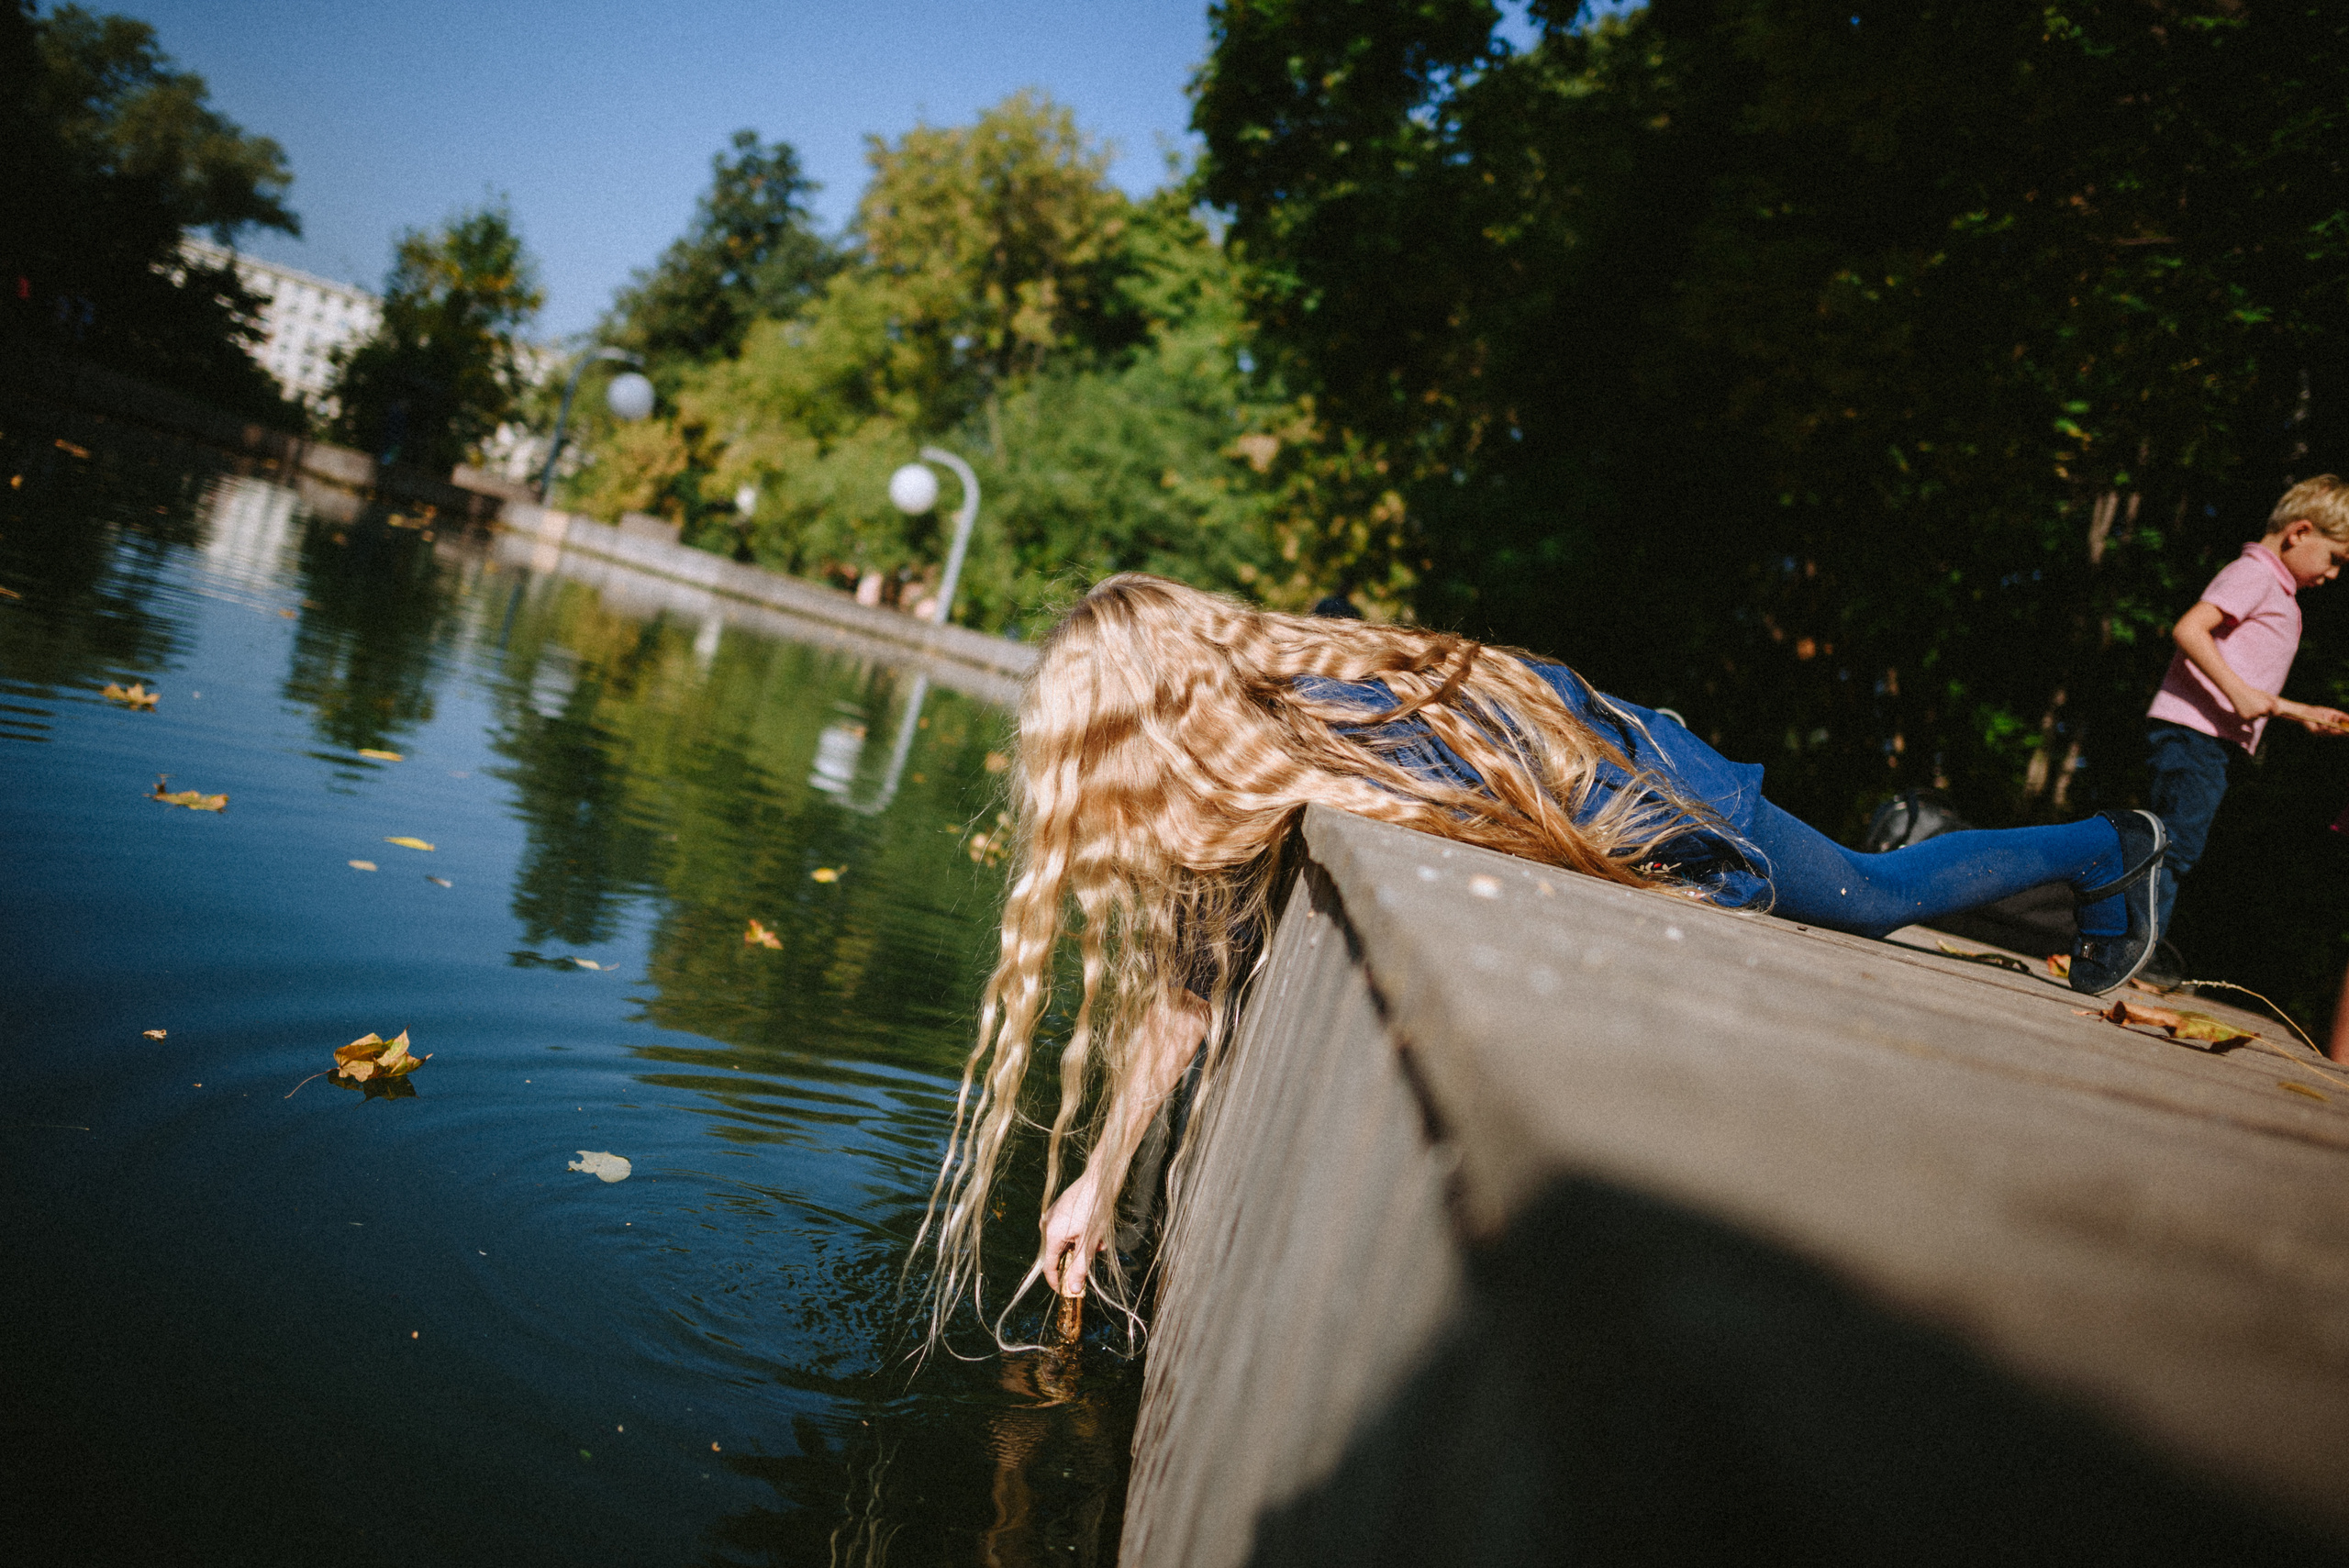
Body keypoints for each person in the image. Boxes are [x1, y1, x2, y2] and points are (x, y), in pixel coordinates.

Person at [918, 574, 2166, 1344]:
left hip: (1657, 786)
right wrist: (1097, 1177)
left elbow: (1554, 770)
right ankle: (2034, 846)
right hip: (1624, 800)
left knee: (1870, 896)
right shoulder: (1248, 789)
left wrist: (1680, 867)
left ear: (1158, 723)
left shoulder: (1350, 721)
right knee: (1871, 885)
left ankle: (2106, 846)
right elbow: (1186, 991)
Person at [2145, 476, 2349, 938]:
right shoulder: (2255, 574)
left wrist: (2304, 713)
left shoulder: (2277, 590)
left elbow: (2256, 694)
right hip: (2194, 733)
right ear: (2300, 532)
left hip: (2212, 739)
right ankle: (2129, 947)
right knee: (2172, 847)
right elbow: (2189, 629)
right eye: (2335, 558)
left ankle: (2128, 943)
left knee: (2175, 844)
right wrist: (2236, 691)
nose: (2333, 575)